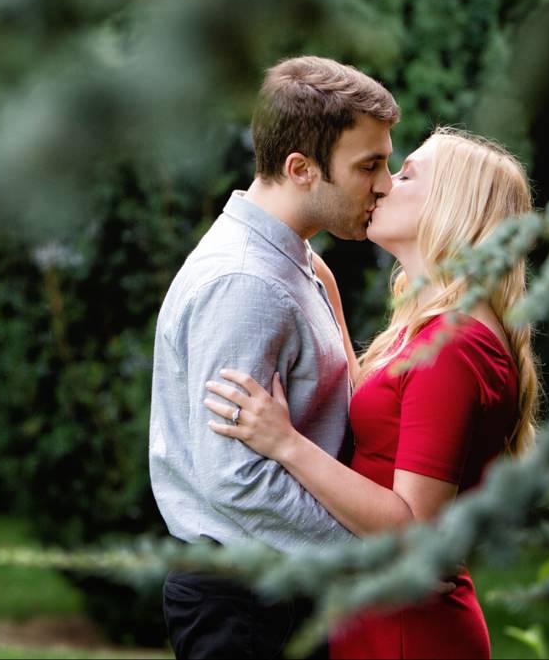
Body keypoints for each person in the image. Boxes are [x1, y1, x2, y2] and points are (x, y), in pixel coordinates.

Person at [203, 126, 541, 660]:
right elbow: (388, 434)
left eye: (406, 175)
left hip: (408, 632)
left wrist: (285, 443)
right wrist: (331, 304)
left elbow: (412, 529)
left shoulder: (453, 347)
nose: (383, 185)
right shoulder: (440, 330)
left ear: (452, 208)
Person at [148, 55, 401, 659]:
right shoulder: (246, 283)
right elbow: (236, 480)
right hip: (244, 606)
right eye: (370, 165)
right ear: (301, 168)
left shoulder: (295, 263)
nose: (385, 183)